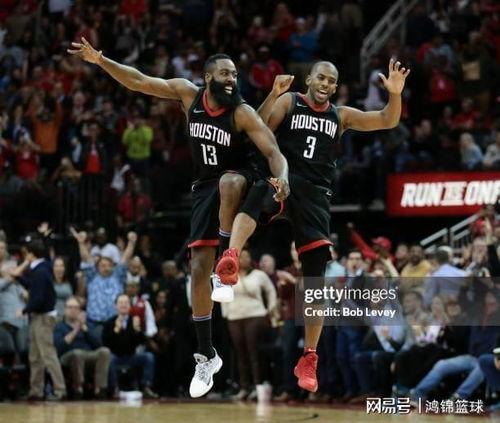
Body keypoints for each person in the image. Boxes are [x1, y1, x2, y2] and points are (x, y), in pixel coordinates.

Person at [68, 38, 289, 398]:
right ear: (207, 77)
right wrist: (101, 60)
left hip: (244, 178)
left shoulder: (242, 111)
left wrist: (284, 178)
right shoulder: (188, 95)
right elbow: (139, 81)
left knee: (229, 182)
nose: (232, 79)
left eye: (235, 74)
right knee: (197, 270)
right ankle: (207, 356)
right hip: (204, 187)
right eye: (225, 73)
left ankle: (226, 264)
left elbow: (274, 152)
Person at [216, 59, 410, 392]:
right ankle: (230, 256)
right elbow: (257, 127)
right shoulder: (290, 101)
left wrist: (394, 94)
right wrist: (273, 94)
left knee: (315, 278)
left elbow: (386, 120)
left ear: (335, 87)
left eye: (331, 81)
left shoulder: (340, 115)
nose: (325, 84)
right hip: (284, 180)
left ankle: (309, 356)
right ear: (309, 79)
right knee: (259, 193)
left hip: (317, 195)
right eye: (321, 78)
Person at [10, 237, 66, 400]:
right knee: (35, 356)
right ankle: (36, 390)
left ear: (30, 254)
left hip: (43, 318)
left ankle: (60, 390)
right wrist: (18, 278)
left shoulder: (40, 271)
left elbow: (39, 298)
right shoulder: (42, 268)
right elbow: (33, 286)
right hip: (38, 318)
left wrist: (24, 310)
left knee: (48, 355)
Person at [102, 294, 158, 399]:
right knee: (109, 359)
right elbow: (106, 343)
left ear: (130, 306)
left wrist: (137, 330)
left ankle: (146, 387)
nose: (123, 305)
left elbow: (142, 342)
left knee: (148, 357)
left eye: (126, 303)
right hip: (116, 357)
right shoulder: (109, 322)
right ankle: (114, 388)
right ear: (116, 306)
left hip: (131, 356)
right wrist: (116, 330)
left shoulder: (134, 321)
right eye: (121, 303)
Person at [54, 296, 110, 399]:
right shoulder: (59, 326)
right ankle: (78, 388)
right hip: (68, 356)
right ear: (65, 310)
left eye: (76, 308)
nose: (73, 310)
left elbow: (98, 344)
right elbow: (59, 347)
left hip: (88, 354)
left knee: (104, 351)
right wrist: (75, 331)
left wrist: (85, 329)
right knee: (77, 353)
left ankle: (100, 389)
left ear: (80, 310)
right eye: (70, 307)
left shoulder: (86, 325)